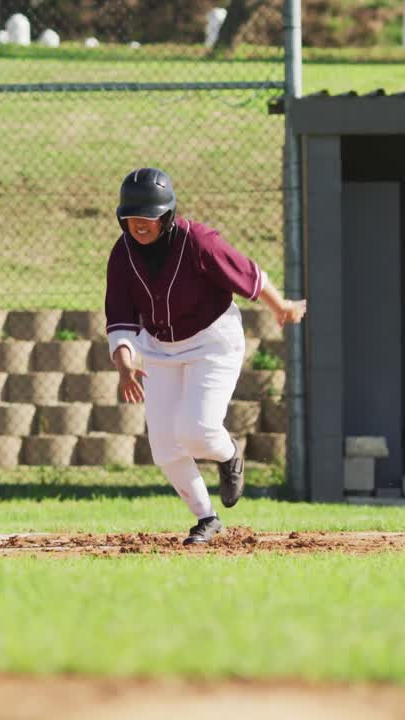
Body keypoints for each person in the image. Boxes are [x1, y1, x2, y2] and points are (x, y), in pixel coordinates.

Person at [104, 168, 306, 545]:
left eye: (149, 216)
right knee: (164, 446)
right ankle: (206, 518)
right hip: (160, 349)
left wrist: (281, 306)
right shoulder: (123, 254)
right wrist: (125, 364)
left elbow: (246, 273)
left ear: (166, 216)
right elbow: (119, 316)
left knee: (195, 429)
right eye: (132, 216)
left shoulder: (196, 240)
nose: (140, 224)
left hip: (212, 342)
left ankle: (229, 457)